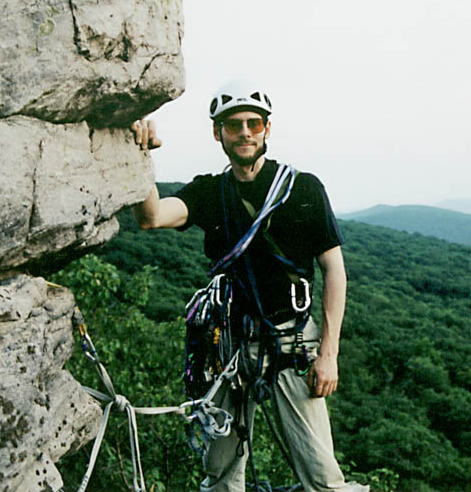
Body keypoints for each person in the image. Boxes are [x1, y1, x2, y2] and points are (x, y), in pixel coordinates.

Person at [131, 81, 367, 492]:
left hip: (291, 341)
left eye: (253, 124)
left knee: (322, 477)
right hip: (228, 344)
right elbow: (152, 216)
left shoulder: (303, 189)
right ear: (217, 132)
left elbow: (335, 270)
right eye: (233, 124)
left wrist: (329, 354)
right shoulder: (209, 191)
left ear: (267, 129)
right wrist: (139, 154)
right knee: (220, 474)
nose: (244, 132)